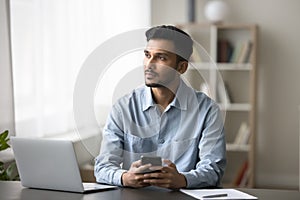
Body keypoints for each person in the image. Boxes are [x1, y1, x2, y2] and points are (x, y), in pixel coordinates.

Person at [94, 25, 226, 189]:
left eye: (161, 58)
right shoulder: (123, 108)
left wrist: (183, 180)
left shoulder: (207, 110)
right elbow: (102, 167)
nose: (149, 64)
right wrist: (124, 177)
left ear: (181, 67)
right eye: (147, 55)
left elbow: (213, 169)